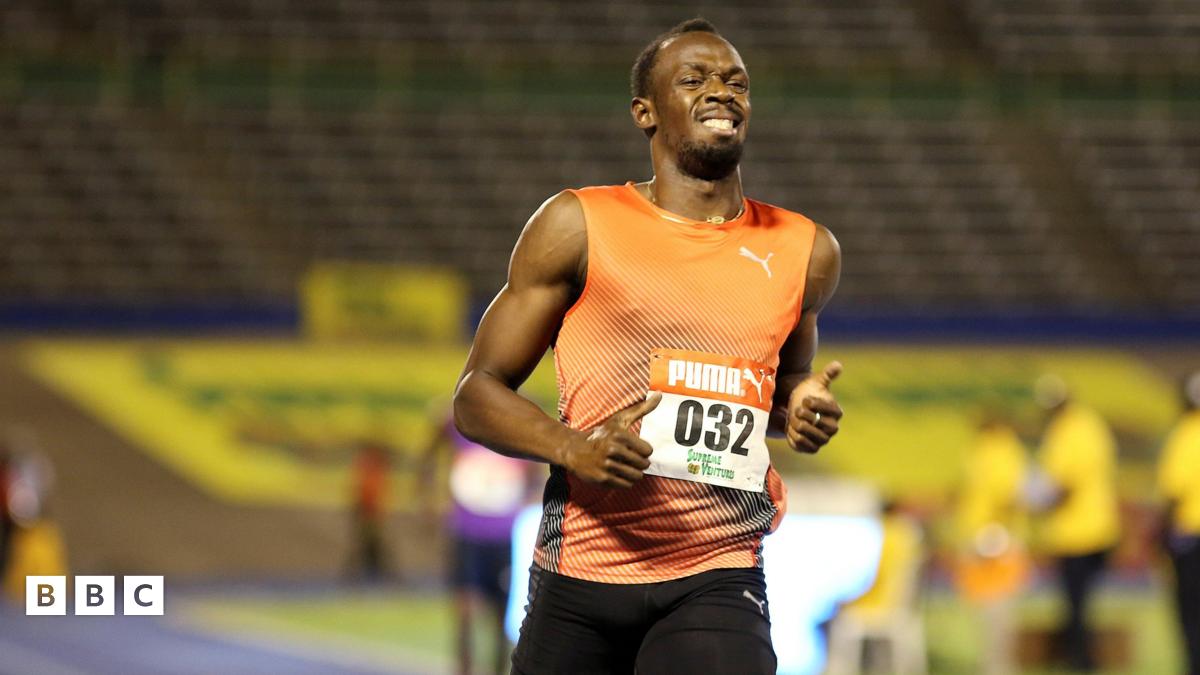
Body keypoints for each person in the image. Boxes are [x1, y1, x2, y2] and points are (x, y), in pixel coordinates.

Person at [453, 18, 844, 674]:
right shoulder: (577, 225)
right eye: (694, 79)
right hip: (582, 569)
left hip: (717, 569)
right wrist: (573, 447)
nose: (721, 91)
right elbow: (476, 394)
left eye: (736, 82)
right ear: (645, 112)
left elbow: (783, 389)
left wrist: (800, 407)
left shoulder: (805, 249)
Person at [423, 413, 541, 675]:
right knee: (465, 614)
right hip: (467, 535)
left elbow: (536, 473)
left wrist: (528, 499)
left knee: (500, 618)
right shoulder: (459, 415)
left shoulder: (524, 416)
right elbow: (428, 456)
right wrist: (429, 501)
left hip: (505, 538)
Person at [1031, 375, 1120, 671]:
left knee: (1075, 604)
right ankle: (1083, 657)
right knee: (1084, 602)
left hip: (1076, 531)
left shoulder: (1067, 431)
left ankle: (1081, 660)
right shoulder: (1091, 424)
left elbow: (1063, 484)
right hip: (1102, 524)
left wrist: (1037, 504)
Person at [953, 413, 1031, 675]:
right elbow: (1008, 494)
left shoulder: (982, 450)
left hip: (981, 535)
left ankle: (993, 665)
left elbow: (995, 493)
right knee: (998, 609)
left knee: (988, 609)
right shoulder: (1003, 450)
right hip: (995, 537)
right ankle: (997, 667)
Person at [1158, 371, 1200, 675]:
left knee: (1191, 609)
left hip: (1191, 535)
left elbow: (1174, 489)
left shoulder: (1186, 435)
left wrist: (1161, 533)